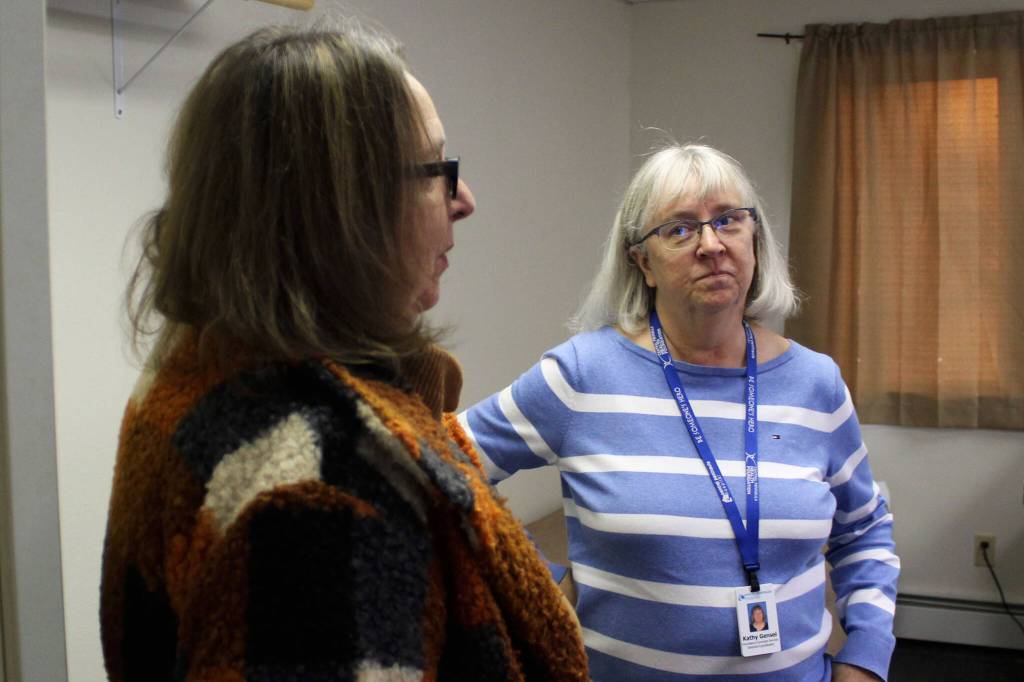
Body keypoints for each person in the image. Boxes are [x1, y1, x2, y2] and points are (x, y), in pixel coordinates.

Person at [100, 24, 588, 681]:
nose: (464, 201)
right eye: (437, 172)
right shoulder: (324, 487)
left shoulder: (196, 370)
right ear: (339, 209)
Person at [460, 144, 899, 681]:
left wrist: (866, 658)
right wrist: (537, 584)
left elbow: (864, 530)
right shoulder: (581, 375)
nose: (712, 245)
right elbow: (442, 466)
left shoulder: (817, 383)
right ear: (642, 261)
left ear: (754, 239)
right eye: (680, 230)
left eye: (729, 220)